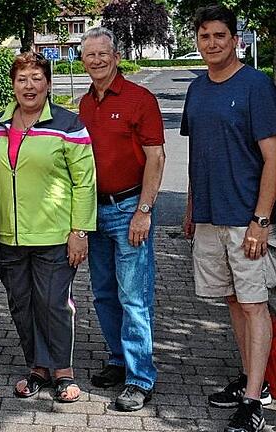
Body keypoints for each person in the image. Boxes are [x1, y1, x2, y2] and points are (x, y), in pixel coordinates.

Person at [181, 5, 276, 432]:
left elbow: (273, 160)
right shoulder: (196, 88)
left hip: (247, 218)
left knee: (255, 304)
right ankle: (249, 380)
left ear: (235, 39)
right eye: (205, 36)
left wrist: (261, 220)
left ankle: (255, 400)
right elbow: (197, 154)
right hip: (209, 216)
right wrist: (190, 208)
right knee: (233, 302)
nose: (212, 43)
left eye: (220, 35)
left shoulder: (256, 85)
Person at [0, 51, 97, 404]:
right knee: (21, 303)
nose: (29, 86)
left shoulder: (68, 124)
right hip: (10, 235)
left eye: (36, 78)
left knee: (53, 304)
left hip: (55, 235)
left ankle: (63, 371)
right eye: (22, 79)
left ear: (48, 83)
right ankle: (37, 366)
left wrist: (79, 230)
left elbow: (85, 181)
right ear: (13, 84)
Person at [78, 26, 165, 412]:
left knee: (134, 297)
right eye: (89, 55)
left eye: (102, 54)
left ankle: (139, 377)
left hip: (130, 208)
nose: (96, 61)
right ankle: (118, 359)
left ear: (115, 57)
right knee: (104, 293)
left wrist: (144, 211)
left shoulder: (139, 99)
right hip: (93, 210)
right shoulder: (82, 104)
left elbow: (157, 158)